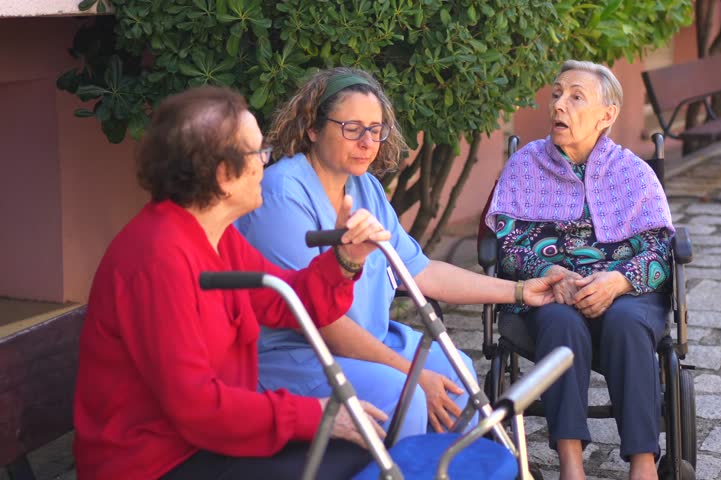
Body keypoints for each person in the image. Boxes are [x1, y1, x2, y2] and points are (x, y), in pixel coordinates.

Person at [73, 86, 392, 480]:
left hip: (204, 441)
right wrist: (317, 413)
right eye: (259, 153)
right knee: (347, 453)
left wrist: (346, 257)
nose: (265, 164)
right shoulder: (158, 259)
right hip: (155, 462)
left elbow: (289, 302)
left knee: (357, 447)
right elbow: (196, 406)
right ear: (224, 175)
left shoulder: (215, 235)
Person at [235, 67, 563, 440]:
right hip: (298, 355)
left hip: (370, 341)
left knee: (459, 376)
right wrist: (413, 374)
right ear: (313, 127)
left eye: (376, 130)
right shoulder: (281, 195)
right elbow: (319, 322)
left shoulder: (367, 187)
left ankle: (451, 467)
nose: (367, 142)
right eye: (352, 128)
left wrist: (520, 291)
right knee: (407, 394)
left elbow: (420, 272)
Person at [485, 60, 675, 480]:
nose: (559, 105)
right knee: (559, 320)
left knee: (627, 322)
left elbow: (661, 252)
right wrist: (551, 271)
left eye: (575, 97)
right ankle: (571, 465)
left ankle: (644, 464)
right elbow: (508, 245)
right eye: (556, 94)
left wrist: (619, 280)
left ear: (607, 115)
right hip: (550, 291)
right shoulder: (525, 165)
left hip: (627, 293)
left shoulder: (633, 173)